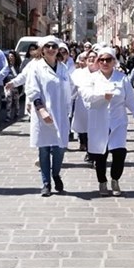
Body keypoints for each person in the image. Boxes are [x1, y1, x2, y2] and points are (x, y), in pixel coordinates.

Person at [84, 46, 134, 197]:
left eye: (108, 59)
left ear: (114, 61)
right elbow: (86, 97)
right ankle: (102, 182)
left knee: (119, 153)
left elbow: (130, 99)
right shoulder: (92, 78)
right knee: (100, 154)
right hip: (99, 121)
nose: (105, 62)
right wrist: (102, 95)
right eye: (101, 59)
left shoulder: (121, 78)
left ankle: (115, 179)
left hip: (118, 121)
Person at [25, 36, 72, 197]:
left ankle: (56, 173)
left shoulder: (63, 68)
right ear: (42, 50)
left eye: (54, 46)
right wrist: (41, 109)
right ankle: (46, 183)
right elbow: (32, 90)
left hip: (60, 114)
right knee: (44, 149)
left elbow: (70, 89)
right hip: (43, 114)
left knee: (60, 148)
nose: (51, 49)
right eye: (48, 46)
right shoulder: (36, 67)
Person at [71, 48, 99, 158]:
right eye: (89, 58)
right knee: (84, 128)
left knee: (95, 129)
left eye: (94, 57)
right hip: (81, 105)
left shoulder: (101, 73)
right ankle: (88, 148)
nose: (92, 59)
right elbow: (71, 89)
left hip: (97, 106)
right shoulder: (78, 73)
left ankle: (92, 152)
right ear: (86, 60)